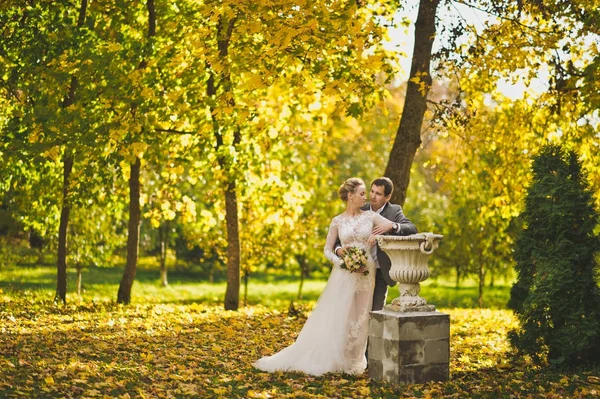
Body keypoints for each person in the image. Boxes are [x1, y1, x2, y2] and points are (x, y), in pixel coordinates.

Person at [253, 177, 394, 376]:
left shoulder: (370, 216)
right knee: (340, 315)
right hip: (344, 273)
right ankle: (335, 357)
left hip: (366, 274)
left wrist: (378, 235)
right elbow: (327, 250)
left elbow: (391, 225)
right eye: (362, 193)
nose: (366, 197)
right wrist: (341, 260)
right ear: (350, 196)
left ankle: (353, 362)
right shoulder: (337, 221)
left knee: (361, 317)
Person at [335, 177, 417, 311]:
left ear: (388, 196)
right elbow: (342, 234)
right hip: (357, 268)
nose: (372, 196)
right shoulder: (361, 207)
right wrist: (339, 250)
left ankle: (373, 333)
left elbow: (412, 228)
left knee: (376, 309)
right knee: (352, 309)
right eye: (371, 191)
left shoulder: (394, 211)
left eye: (378, 194)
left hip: (380, 269)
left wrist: (391, 226)